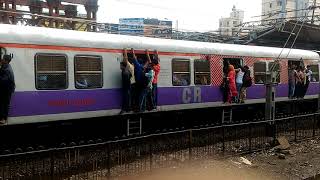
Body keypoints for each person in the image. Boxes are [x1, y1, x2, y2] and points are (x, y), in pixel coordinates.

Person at [0, 54, 15, 124]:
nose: (1, 59)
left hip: (7, 90)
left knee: (5, 104)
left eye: (3, 59)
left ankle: (4, 119)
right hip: (5, 89)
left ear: (6, 60)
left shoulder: (8, 70)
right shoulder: (5, 66)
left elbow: (3, 80)